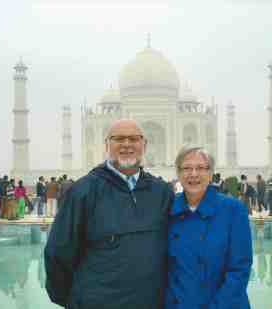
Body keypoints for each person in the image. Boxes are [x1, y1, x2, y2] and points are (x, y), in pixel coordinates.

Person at [44, 118, 173, 309]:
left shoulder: (160, 192)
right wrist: (75, 299)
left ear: (144, 144)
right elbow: (58, 252)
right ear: (107, 144)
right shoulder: (84, 191)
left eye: (133, 139)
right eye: (119, 139)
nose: (126, 144)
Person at [166, 146, 253, 309]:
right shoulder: (168, 210)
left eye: (200, 168)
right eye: (186, 168)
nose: (193, 174)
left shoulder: (232, 210)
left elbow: (239, 269)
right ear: (178, 173)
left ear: (210, 173)